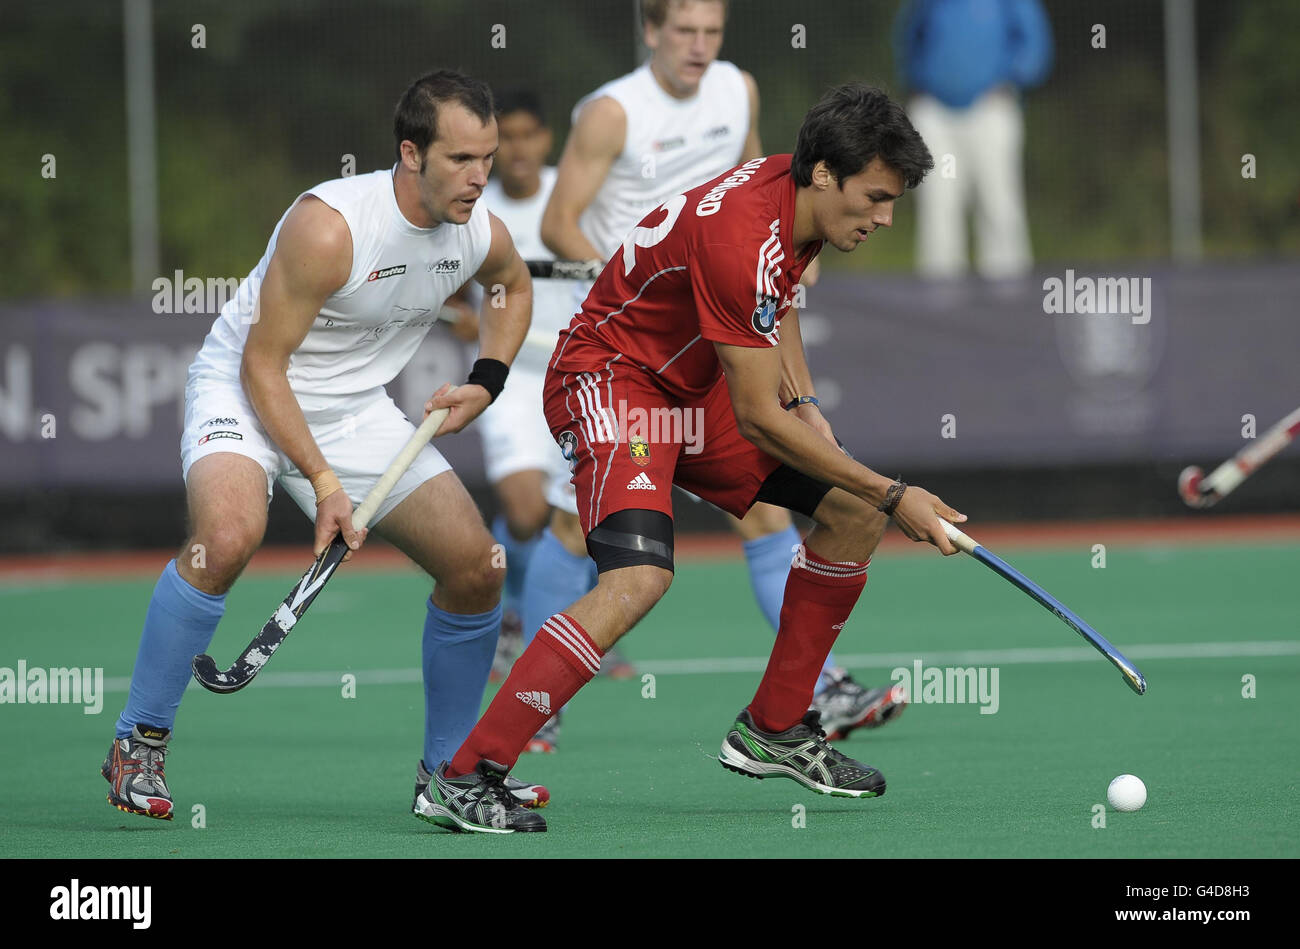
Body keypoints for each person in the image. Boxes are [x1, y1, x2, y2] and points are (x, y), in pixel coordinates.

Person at [415, 82, 967, 834]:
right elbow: (756, 416)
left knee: (849, 510)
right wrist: (897, 491)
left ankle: (774, 728)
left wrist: (809, 408)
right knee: (640, 575)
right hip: (611, 379)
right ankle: (467, 773)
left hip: (686, 383)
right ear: (827, 175)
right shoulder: (743, 235)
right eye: (874, 198)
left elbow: (782, 308)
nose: (883, 218)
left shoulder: (790, 186)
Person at [102, 69, 550, 822]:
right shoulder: (332, 225)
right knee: (227, 536)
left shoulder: (477, 228)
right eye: (459, 160)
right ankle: (138, 738)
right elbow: (261, 363)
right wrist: (323, 482)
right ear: (410, 153)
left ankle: (449, 770)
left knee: (478, 569)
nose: (480, 177)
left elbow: (509, 285)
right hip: (247, 393)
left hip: (353, 411)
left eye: (488, 157)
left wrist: (489, 377)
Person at [527, 0, 902, 753]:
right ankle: (530, 683)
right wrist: (651, 285)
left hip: (716, 341)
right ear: (651, 31)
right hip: (623, 353)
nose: (700, 48)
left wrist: (798, 379)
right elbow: (557, 222)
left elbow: (771, 209)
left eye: (712, 32)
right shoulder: (610, 113)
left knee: (770, 510)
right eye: (685, 32)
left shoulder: (740, 91)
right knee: (589, 534)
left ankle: (805, 695)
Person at [453, 89, 637, 691]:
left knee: (580, 513)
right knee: (528, 513)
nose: (522, 149)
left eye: (533, 134)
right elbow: (448, 280)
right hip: (511, 372)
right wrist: (460, 313)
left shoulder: (573, 196)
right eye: (511, 137)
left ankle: (562, 630)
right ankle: (516, 617)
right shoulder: (476, 206)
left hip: (579, 373)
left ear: (548, 139)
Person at [894, 0, 1053, 280]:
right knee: (938, 205)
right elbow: (907, 36)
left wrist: (1011, 80)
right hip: (935, 115)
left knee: (998, 202)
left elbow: (1034, 43)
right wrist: (918, 84)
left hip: (991, 110)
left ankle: (1010, 301)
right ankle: (939, 305)